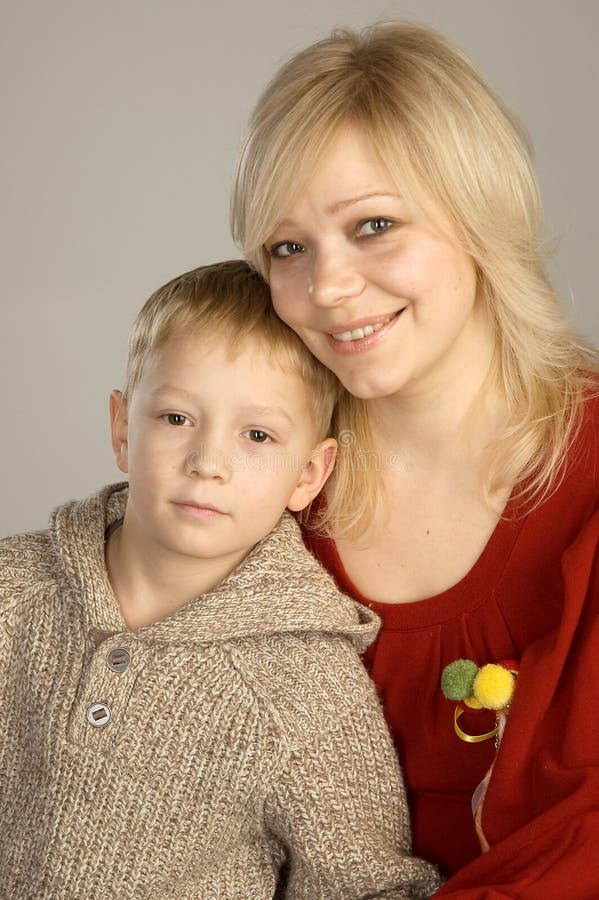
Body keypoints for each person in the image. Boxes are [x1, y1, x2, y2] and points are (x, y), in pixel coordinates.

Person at [231, 23, 599, 897]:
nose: (326, 287)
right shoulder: (254, 482)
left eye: (374, 226)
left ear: (478, 217)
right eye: (289, 248)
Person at [0, 260, 442, 898]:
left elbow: (367, 885)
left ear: (308, 475)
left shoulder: (304, 686)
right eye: (177, 419)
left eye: (257, 435)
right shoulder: (15, 591)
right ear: (123, 429)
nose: (208, 463)